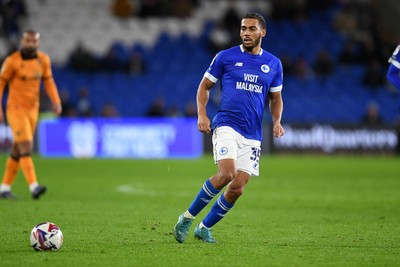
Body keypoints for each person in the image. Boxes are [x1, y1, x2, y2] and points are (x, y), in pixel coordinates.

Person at [173, 13, 284, 243]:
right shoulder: (225, 57)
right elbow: (204, 87)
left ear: (262, 32)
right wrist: (202, 114)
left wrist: (277, 121)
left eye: (252, 29)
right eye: (243, 28)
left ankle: (203, 228)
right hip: (226, 125)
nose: (246, 33)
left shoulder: (273, 63)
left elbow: (276, 98)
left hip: (253, 133)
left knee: (237, 188)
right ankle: (186, 217)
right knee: (226, 173)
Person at [0, 30, 62, 199]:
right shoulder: (12, 61)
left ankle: (4, 188)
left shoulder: (43, 60)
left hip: (33, 110)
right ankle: (33, 186)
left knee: (17, 148)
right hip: (15, 108)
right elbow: (1, 83)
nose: (31, 44)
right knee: (26, 144)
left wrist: (56, 101)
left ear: (38, 43)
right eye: (28, 41)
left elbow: (48, 81)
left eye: (34, 41)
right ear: (22, 41)